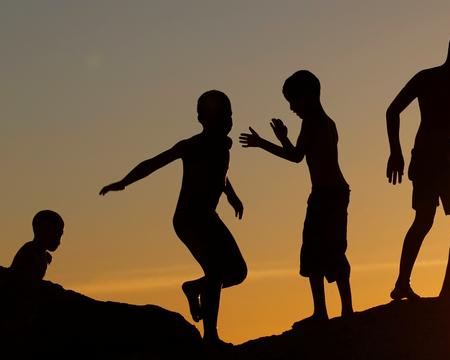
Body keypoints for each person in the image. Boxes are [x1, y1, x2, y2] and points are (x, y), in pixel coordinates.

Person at [100, 90, 247, 348]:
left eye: (229, 114)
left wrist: (231, 196)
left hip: (208, 217)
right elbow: (153, 163)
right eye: (221, 115)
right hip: (189, 219)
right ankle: (210, 336)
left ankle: (193, 288)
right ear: (203, 119)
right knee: (215, 271)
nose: (228, 120)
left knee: (237, 272)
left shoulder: (224, 146)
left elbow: (220, 173)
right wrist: (124, 182)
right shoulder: (191, 146)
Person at [239, 70, 353, 327]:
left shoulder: (315, 122)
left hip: (328, 194)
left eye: (293, 101)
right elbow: (299, 154)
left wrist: (263, 143)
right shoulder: (324, 121)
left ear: (309, 96)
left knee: (327, 250)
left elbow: (295, 157)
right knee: (320, 250)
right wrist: (281, 138)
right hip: (328, 193)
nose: (291, 107)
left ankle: (336, 311)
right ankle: (333, 311)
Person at [386, 29, 450, 300]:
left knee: (439, 221)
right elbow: (392, 110)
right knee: (444, 220)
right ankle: (409, 284)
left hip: (439, 154)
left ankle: (428, 286)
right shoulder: (431, 78)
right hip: (433, 156)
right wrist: (394, 152)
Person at [10, 210, 64, 281]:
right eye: (56, 235)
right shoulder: (29, 251)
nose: (59, 242)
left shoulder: (43, 255)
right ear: (43, 232)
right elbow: (23, 279)